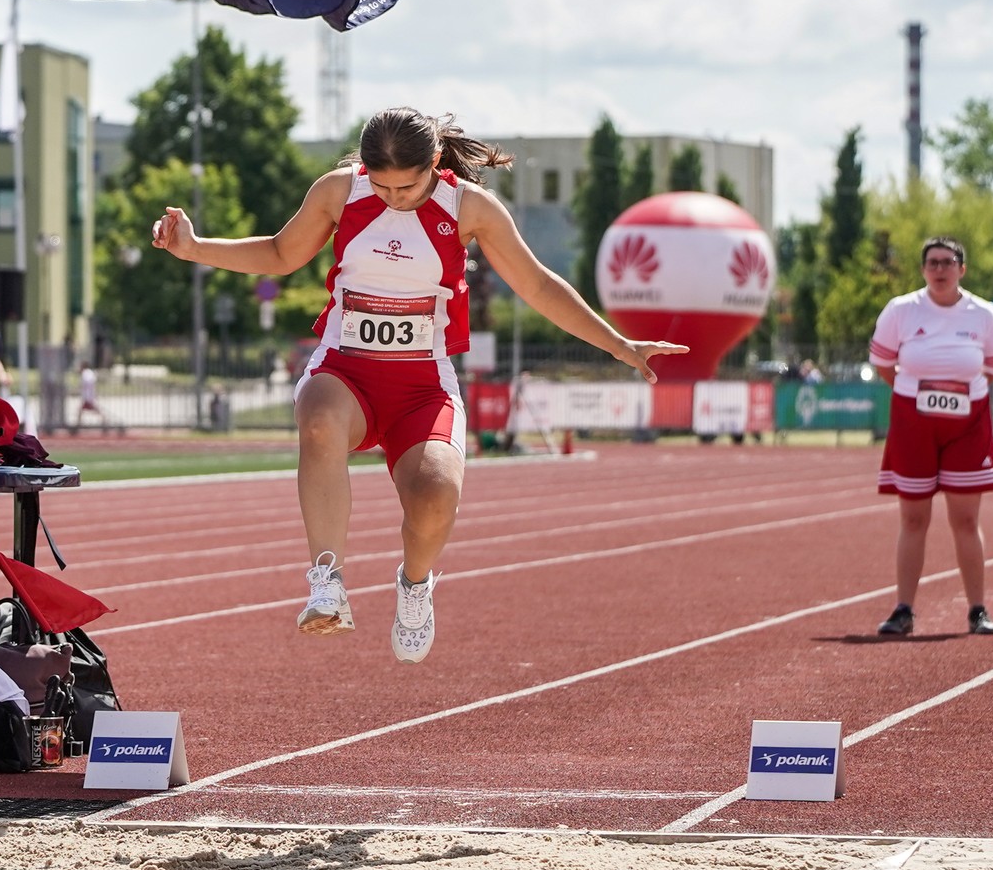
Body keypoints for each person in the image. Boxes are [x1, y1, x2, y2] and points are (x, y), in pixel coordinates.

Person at [150, 107, 682, 663]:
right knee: (319, 419)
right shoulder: (339, 192)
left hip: (423, 385)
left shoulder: (468, 207)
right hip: (345, 369)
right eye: (381, 186)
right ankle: (327, 582)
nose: (393, 199)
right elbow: (282, 253)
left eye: (406, 187)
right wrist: (195, 247)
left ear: (434, 162)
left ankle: (415, 583)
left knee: (435, 496)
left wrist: (618, 344)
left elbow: (538, 287)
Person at [868, 236, 993, 637]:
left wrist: (953, 393)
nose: (940, 270)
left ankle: (977, 610)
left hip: (968, 423)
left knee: (966, 518)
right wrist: (917, 394)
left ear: (962, 269)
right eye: (933, 263)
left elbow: (991, 368)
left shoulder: (985, 314)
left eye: (947, 262)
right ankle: (903, 610)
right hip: (913, 421)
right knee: (913, 517)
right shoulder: (901, 310)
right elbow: (883, 364)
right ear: (923, 270)